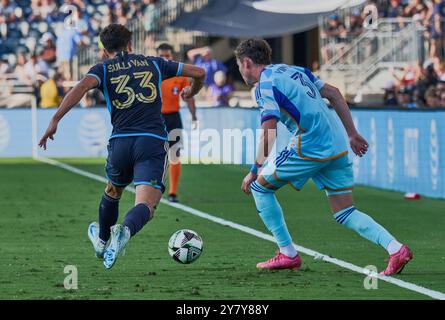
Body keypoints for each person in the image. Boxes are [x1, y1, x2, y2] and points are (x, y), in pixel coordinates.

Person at [235, 39, 412, 275]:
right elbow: (335, 94)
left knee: (259, 188)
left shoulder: (263, 85)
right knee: (345, 212)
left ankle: (287, 254)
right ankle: (396, 249)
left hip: (310, 144)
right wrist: (352, 134)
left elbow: (269, 129)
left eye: (238, 65)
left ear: (246, 62)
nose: (240, 71)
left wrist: (254, 169)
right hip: (337, 142)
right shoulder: (295, 70)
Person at [38, 24, 205, 269]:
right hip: (151, 141)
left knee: (113, 191)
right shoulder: (155, 63)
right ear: (130, 44)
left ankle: (102, 240)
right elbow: (199, 71)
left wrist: (55, 120)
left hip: (120, 143)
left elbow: (81, 87)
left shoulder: (102, 69)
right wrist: (192, 91)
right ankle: (124, 230)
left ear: (104, 51)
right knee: (146, 204)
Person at [156, 43, 198, 203]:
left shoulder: (179, 76)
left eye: (167, 56)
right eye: (162, 56)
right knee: (155, 155)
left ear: (171, 56)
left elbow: (188, 97)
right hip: (155, 119)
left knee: (175, 155)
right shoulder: (152, 74)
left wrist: (194, 116)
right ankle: (153, 187)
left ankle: (173, 193)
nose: (165, 59)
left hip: (174, 118)